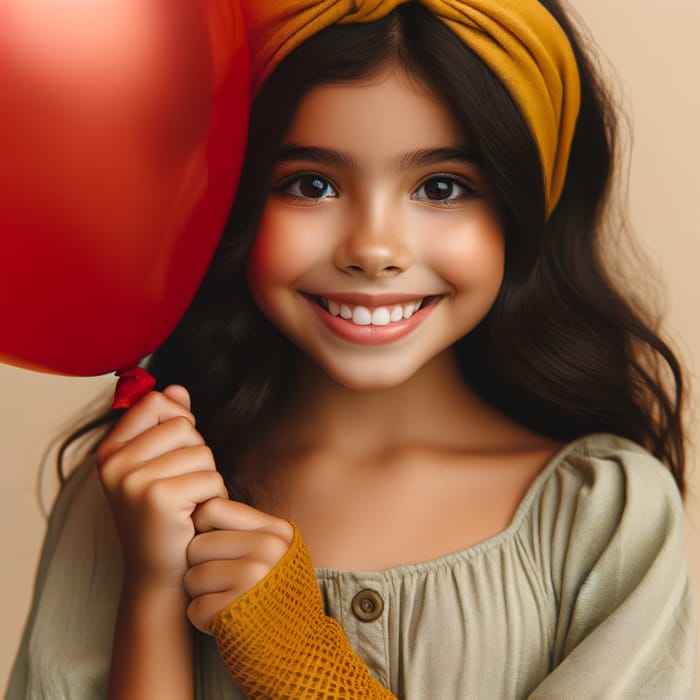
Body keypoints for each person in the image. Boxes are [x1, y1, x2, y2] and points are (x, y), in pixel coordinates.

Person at [7, 1, 697, 698]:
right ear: (229, 195)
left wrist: (303, 666)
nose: (373, 250)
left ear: (520, 210)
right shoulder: (132, 499)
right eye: (312, 184)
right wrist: (153, 591)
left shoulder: (605, 518)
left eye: (441, 187)